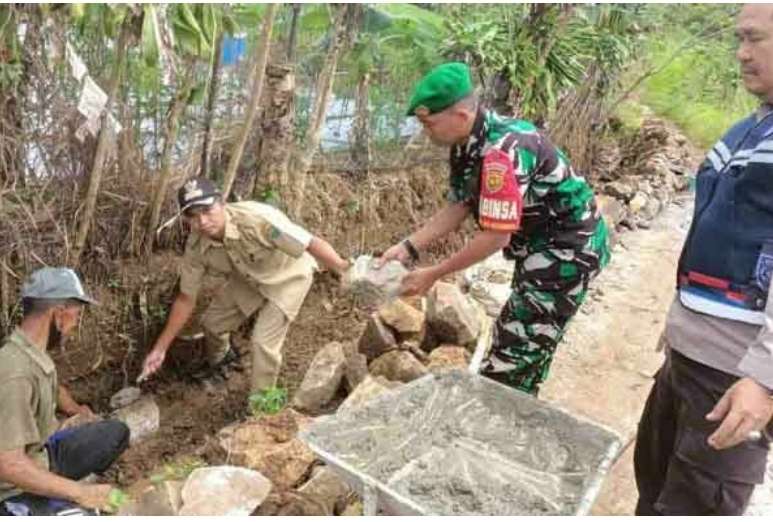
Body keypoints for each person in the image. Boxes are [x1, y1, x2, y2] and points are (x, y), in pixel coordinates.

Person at [380, 62, 610, 396]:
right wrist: (408, 247)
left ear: (460, 114)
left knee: (511, 356)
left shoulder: (504, 153)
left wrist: (435, 273)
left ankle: (502, 426)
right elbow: (459, 206)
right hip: (540, 248)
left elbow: (495, 236)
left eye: (429, 123)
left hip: (567, 252)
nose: (424, 132)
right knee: (525, 343)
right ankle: (519, 411)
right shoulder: (468, 142)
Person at [633, 4, 773, 515]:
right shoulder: (748, 129)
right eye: (739, 38)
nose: (741, 53)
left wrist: (765, 378)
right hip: (689, 363)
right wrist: (682, 319)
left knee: (695, 505)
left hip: (731, 377)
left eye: (754, 38)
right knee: (654, 490)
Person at [139, 177, 351, 395]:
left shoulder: (256, 219)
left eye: (207, 211)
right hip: (250, 280)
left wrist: (344, 269)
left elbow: (310, 242)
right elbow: (186, 298)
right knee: (212, 324)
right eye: (193, 216)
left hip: (289, 277)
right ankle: (224, 366)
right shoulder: (195, 244)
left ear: (221, 203)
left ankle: (262, 406)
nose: (202, 222)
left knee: (262, 343)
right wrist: (160, 349)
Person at [0, 267, 129, 515]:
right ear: (59, 315)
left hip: (40, 456)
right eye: (76, 315)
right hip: (11, 487)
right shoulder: (14, 374)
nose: (74, 326)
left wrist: (75, 410)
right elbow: (7, 464)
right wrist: (81, 492)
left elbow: (52, 384)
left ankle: (54, 486)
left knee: (115, 433)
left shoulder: (28, 350)